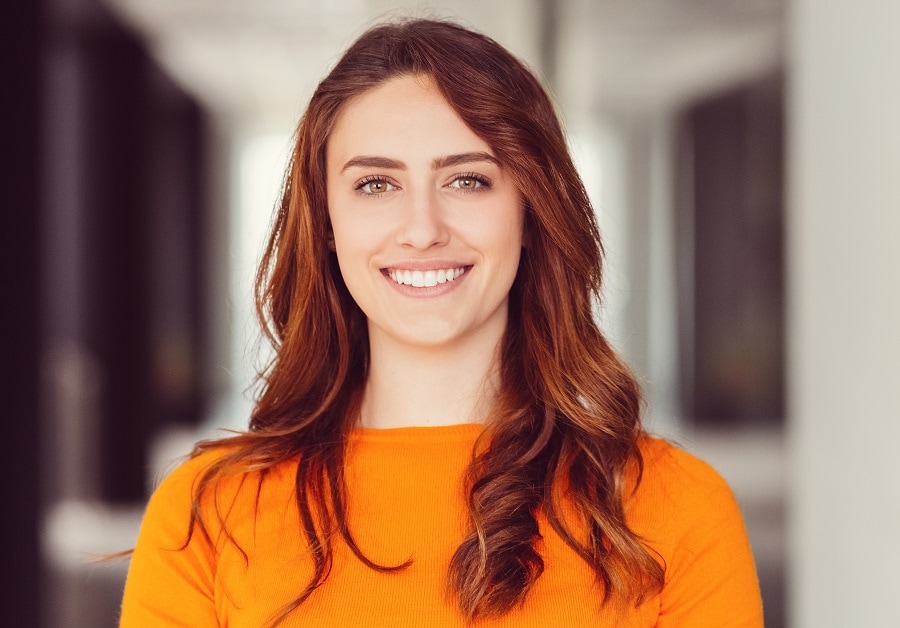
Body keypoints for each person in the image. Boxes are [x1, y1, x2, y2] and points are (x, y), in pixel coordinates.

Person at [120, 18, 763, 627]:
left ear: (530, 210)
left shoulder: (675, 508)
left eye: (467, 180)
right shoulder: (206, 516)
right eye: (376, 185)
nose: (423, 230)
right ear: (327, 226)